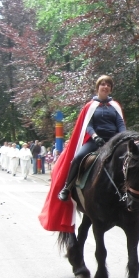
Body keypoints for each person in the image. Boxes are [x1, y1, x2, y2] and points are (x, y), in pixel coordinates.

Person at [39, 75, 126, 233]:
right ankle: (67, 187)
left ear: (111, 88)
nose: (105, 87)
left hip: (113, 141)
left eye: (108, 85)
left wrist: (123, 138)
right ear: (98, 87)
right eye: (102, 84)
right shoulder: (91, 106)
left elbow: (120, 124)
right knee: (78, 158)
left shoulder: (115, 106)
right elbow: (88, 125)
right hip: (95, 141)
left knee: (128, 160)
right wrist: (95, 137)